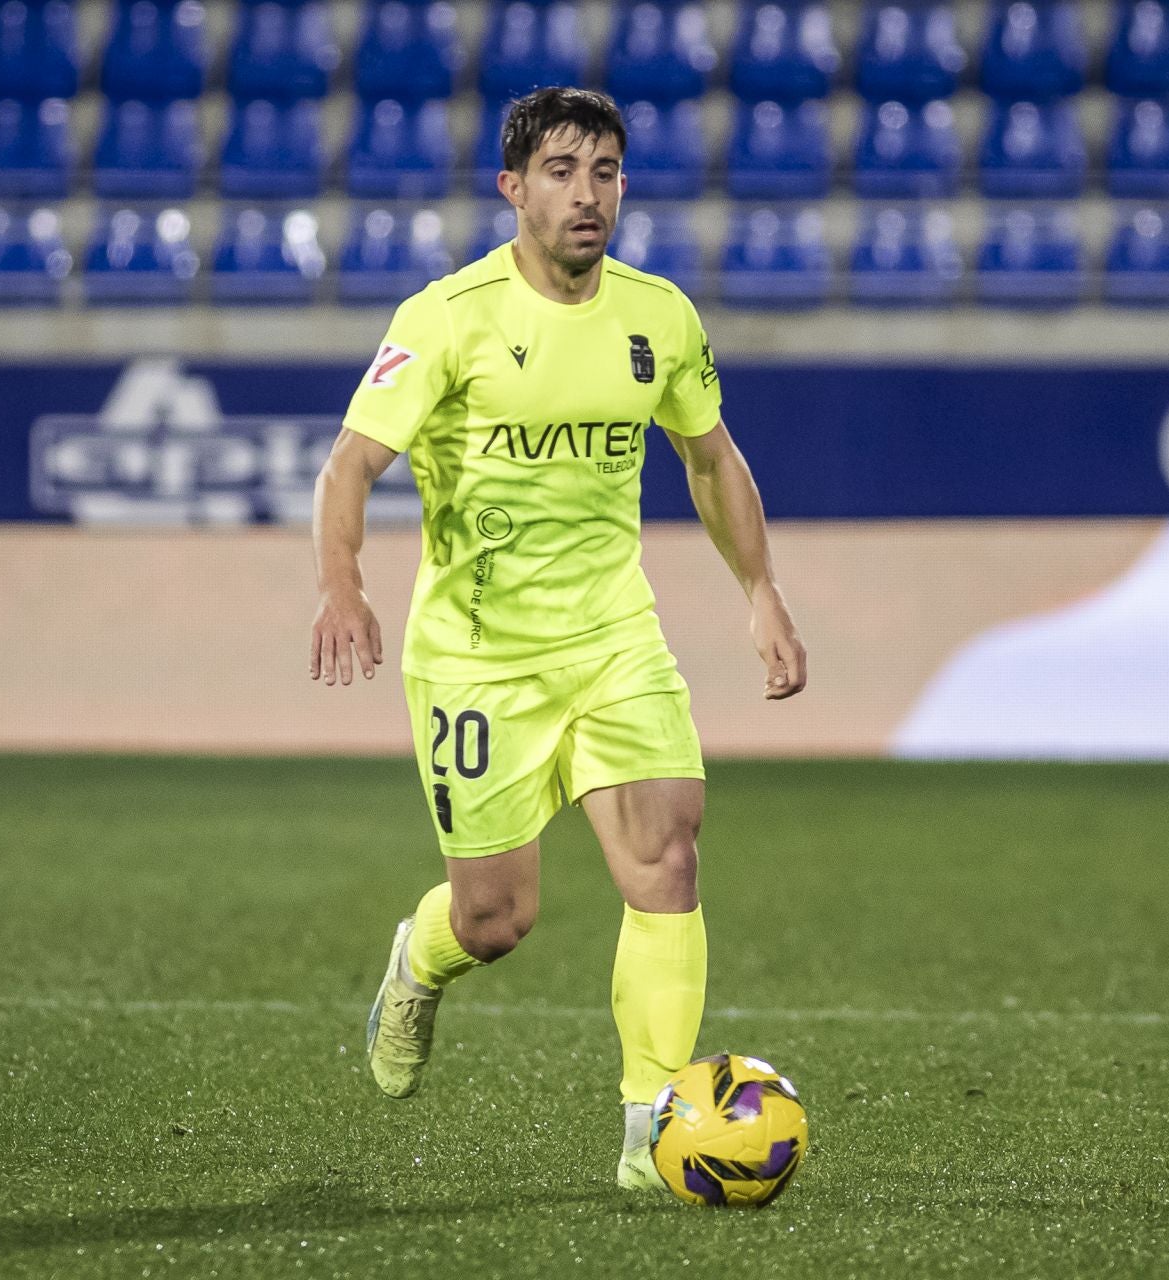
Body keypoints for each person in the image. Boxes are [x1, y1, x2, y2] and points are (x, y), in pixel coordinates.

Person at [308, 86, 807, 1191]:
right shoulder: (446, 316)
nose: (589, 193)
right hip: (479, 656)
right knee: (496, 917)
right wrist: (342, 585)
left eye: (608, 172)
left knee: (667, 855)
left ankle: (651, 1130)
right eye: (564, 171)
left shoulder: (658, 315)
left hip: (614, 636)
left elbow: (711, 457)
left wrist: (761, 589)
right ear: (514, 187)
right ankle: (418, 960)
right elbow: (350, 464)